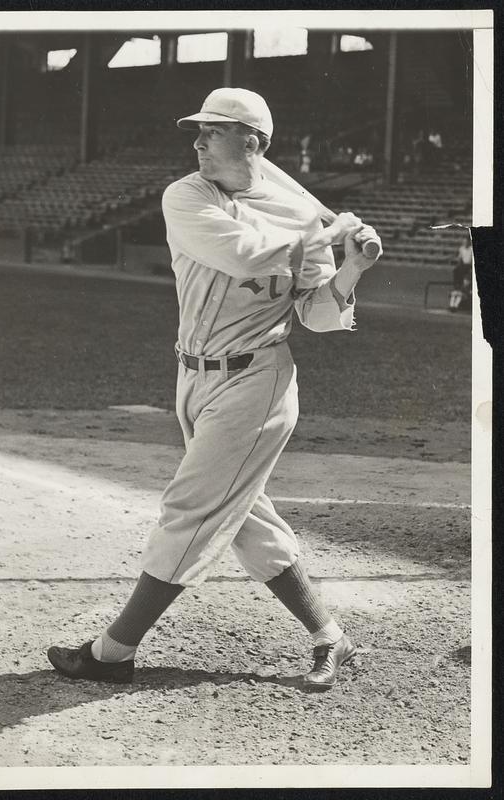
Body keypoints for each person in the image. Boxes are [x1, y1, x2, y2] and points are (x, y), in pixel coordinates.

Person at [48, 88, 382, 691]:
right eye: (198, 130)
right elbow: (243, 254)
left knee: (192, 510)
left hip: (257, 381)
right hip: (192, 377)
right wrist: (327, 236)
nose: (198, 140)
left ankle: (113, 652)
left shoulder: (299, 216)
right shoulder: (188, 195)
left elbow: (316, 312)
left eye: (214, 131)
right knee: (247, 518)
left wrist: (351, 268)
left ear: (251, 141)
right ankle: (331, 634)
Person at [449, 232, 472, 313]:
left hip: (468, 268)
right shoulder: (461, 249)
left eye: (466, 241)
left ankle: (455, 305)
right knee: (457, 288)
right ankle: (452, 306)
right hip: (462, 268)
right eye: (464, 241)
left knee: (463, 288)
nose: (465, 243)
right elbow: (459, 259)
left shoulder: (471, 249)